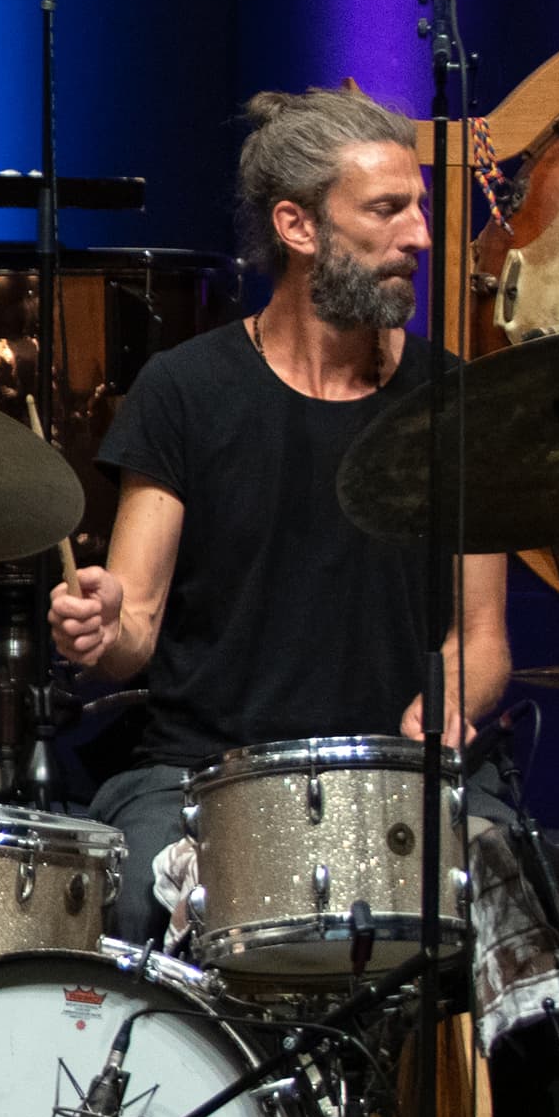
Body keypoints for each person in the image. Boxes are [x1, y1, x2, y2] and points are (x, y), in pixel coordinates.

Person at [52, 84, 512, 942]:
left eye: (418, 206)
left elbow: (479, 639)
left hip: (400, 777)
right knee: (136, 902)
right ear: (298, 227)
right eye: (388, 209)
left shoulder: (458, 402)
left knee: (519, 913)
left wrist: (452, 698)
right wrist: (100, 627)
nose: (420, 234)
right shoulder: (187, 391)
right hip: (208, 778)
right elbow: (134, 628)